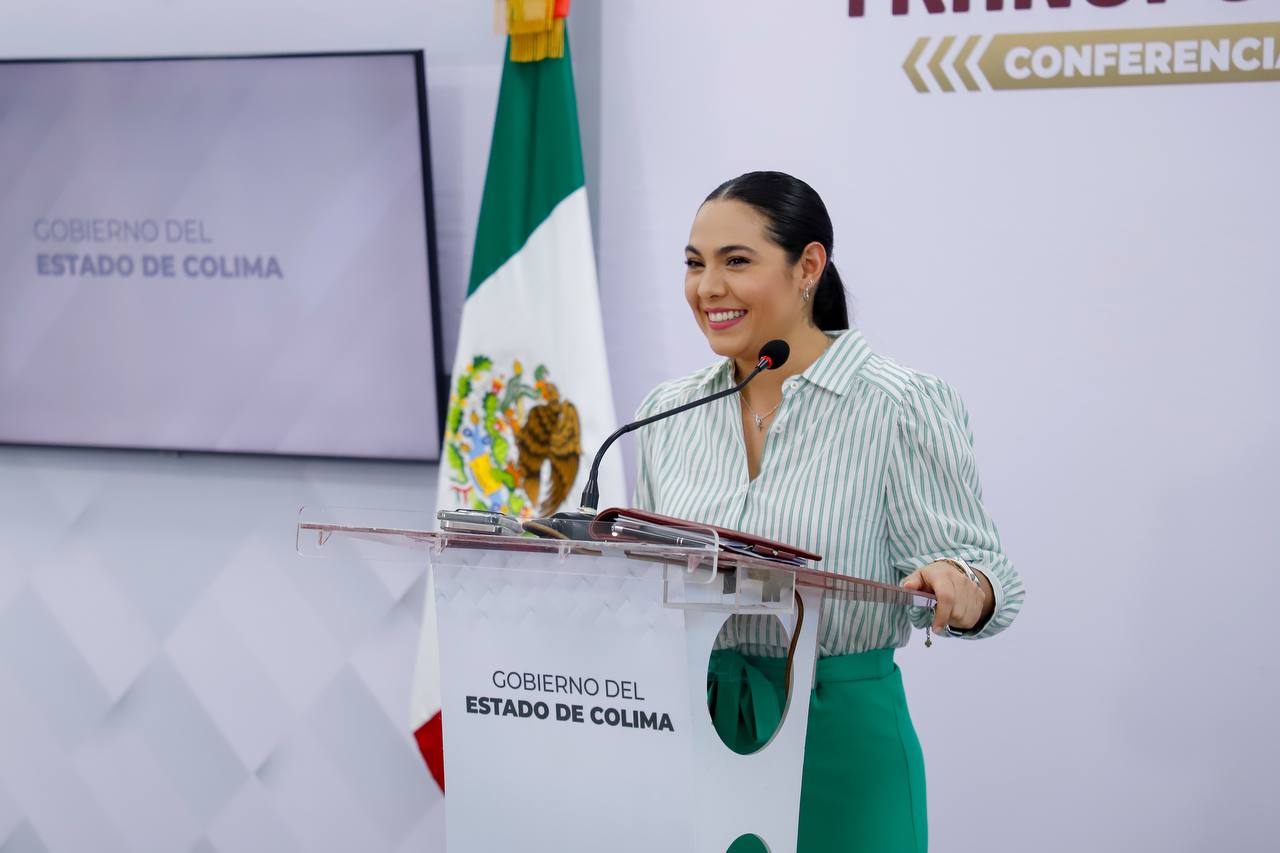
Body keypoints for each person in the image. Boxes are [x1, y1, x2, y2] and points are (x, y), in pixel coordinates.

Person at [632, 171, 1025, 853]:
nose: (707, 288)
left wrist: (963, 587)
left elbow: (992, 578)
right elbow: (642, 581)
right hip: (698, 735)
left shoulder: (899, 404)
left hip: (841, 744)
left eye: (736, 261)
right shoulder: (666, 412)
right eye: (695, 264)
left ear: (808, 266)